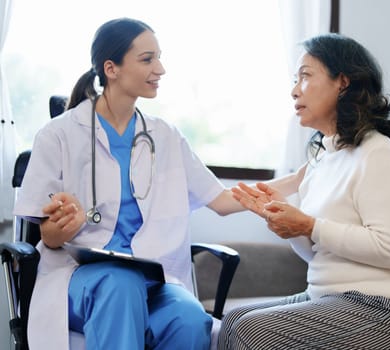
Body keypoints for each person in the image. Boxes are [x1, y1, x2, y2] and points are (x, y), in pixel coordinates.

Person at [12, 17, 295, 350]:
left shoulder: (166, 136)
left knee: (190, 319)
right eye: (147, 59)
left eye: (159, 58)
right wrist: (65, 226)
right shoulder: (58, 134)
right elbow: (48, 235)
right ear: (111, 68)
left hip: (153, 281)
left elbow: (220, 200)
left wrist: (302, 178)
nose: (160, 68)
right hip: (80, 279)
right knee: (120, 284)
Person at [217, 33, 390, 350]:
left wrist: (309, 225)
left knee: (251, 331)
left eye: (305, 76)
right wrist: (286, 221)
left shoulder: (377, 152)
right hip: (333, 296)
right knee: (233, 321)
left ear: (343, 82)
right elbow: (319, 253)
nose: (294, 90)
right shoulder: (323, 158)